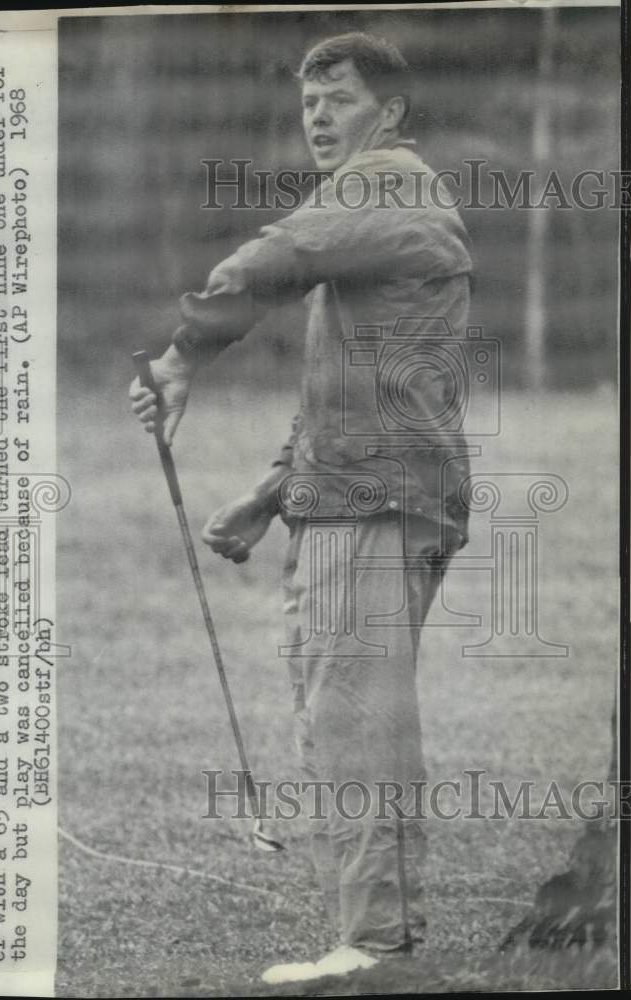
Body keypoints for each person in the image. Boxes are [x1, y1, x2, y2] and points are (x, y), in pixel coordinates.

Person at [129, 31, 474, 984]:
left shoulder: (386, 184)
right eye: (308, 100)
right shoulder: (387, 200)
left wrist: (183, 353)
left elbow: (280, 255)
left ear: (391, 113)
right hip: (363, 489)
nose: (317, 116)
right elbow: (365, 386)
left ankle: (377, 946)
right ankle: (377, 936)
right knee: (346, 713)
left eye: (340, 98)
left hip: (375, 499)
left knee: (357, 716)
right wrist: (268, 495)